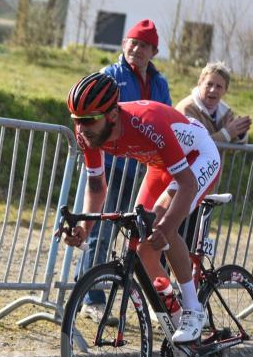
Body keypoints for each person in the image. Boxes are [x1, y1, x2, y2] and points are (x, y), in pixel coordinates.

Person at [63, 72, 222, 343]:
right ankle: (173, 313)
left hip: (198, 156)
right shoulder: (87, 134)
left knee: (161, 224)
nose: (81, 127)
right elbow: (96, 186)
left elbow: (187, 184)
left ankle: (194, 310)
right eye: (76, 120)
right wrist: (84, 228)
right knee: (141, 242)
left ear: (112, 115)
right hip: (161, 165)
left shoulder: (146, 124)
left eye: (88, 120)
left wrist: (167, 226)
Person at [80, 19, 171, 322]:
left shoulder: (160, 83)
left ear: (153, 51)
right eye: (132, 42)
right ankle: (92, 299)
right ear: (123, 45)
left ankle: (154, 300)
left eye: (144, 45)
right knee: (101, 232)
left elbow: (166, 119)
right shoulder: (110, 75)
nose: (137, 48)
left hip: (143, 169)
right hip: (111, 165)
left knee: (140, 236)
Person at [175, 61, 251, 145]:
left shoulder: (226, 113)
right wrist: (226, 134)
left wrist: (240, 132)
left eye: (219, 86)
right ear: (199, 84)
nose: (213, 90)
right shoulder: (187, 108)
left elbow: (234, 150)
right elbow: (193, 145)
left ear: (225, 91)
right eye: (209, 84)